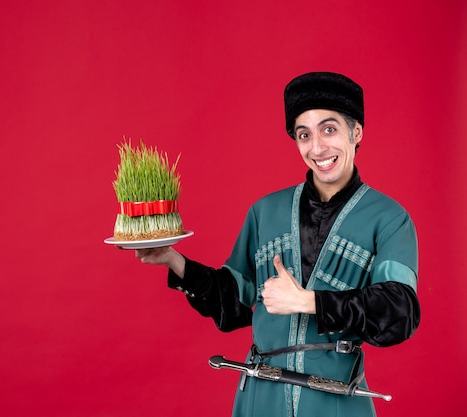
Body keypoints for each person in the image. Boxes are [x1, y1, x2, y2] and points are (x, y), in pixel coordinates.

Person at [133, 72, 420, 417]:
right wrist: (172, 259)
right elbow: (233, 305)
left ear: (355, 132)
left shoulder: (389, 218)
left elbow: (400, 311)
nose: (317, 147)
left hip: (335, 400)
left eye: (329, 129)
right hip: (260, 396)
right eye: (304, 135)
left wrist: (307, 301)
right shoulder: (265, 212)